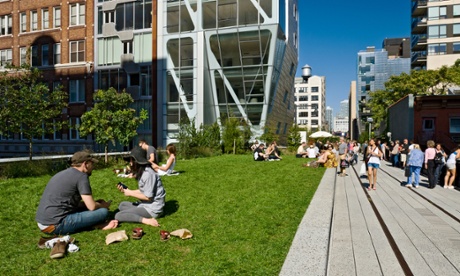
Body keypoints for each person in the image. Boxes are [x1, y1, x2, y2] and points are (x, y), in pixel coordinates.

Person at [35, 151, 118, 235]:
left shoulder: (62, 173)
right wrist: (103, 205)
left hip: (43, 222)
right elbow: (92, 207)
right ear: (85, 164)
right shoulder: (81, 177)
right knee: (103, 212)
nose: (93, 166)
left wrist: (95, 203)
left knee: (92, 208)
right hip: (55, 225)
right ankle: (96, 225)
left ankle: (92, 224)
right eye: (91, 163)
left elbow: (68, 202)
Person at [115, 147, 166, 227]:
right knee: (122, 205)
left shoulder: (148, 174)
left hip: (153, 209)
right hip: (145, 204)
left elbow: (148, 197)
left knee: (118, 215)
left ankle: (146, 220)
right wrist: (127, 190)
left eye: (132, 160)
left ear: (138, 161)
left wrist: (130, 193)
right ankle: (134, 213)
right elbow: (144, 191)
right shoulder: (142, 172)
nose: (130, 163)